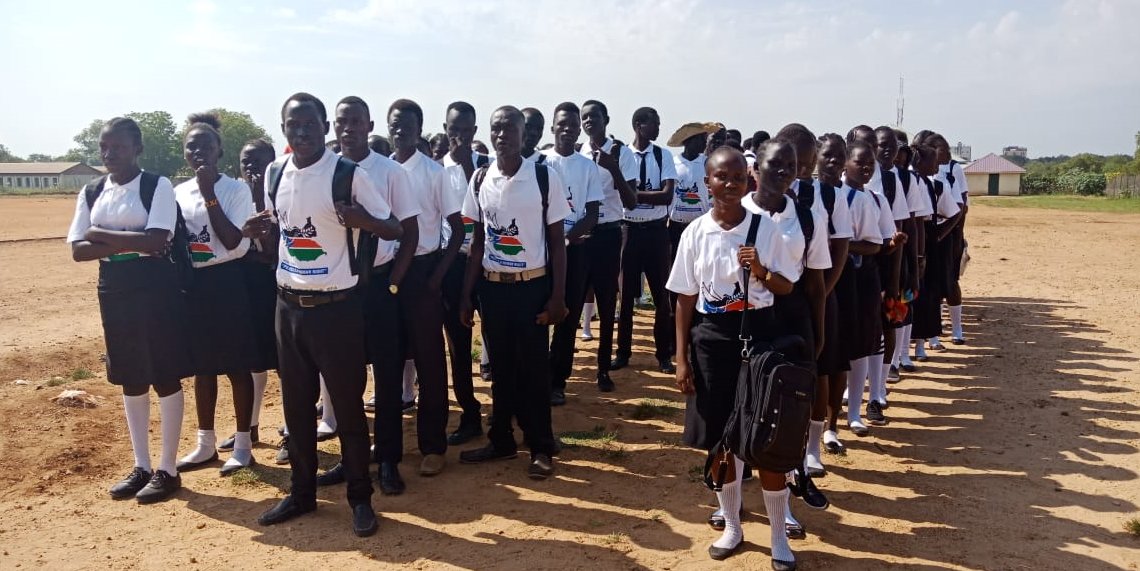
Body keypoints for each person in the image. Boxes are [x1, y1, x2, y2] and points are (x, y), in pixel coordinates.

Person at [244, 92, 402, 536]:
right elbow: (281, 230)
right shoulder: (276, 172)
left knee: (348, 408)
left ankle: (360, 499)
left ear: (325, 128)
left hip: (337, 310)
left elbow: (393, 227)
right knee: (296, 409)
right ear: (283, 130)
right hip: (288, 306)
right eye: (293, 125)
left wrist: (362, 220)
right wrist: (257, 230)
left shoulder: (347, 174)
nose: (302, 132)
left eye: (310, 124)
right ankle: (302, 493)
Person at [669, 145, 805, 567]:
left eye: (737, 178)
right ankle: (732, 525)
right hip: (712, 340)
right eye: (720, 177)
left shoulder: (765, 229)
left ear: (749, 181)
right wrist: (682, 359)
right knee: (722, 439)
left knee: (767, 437)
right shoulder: (695, 232)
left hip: (759, 337)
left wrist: (761, 270)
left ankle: (779, 535)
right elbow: (685, 299)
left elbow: (786, 286)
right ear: (706, 182)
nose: (729, 184)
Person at [67, 117, 191, 504]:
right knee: (130, 375)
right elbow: (78, 250)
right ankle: (141, 465)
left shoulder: (157, 185)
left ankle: (168, 469)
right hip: (114, 287)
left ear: (137, 148)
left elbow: (157, 241)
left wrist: (100, 234)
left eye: (118, 147)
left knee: (163, 373)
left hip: (155, 287)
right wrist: (129, 241)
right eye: (104, 147)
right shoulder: (93, 190)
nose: (109, 154)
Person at [315, 96, 422, 496]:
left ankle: (389, 460)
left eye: (356, 121)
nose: (348, 128)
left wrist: (393, 282)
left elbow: (409, 232)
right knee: (346, 379)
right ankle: (353, 459)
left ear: (369, 125)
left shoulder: (390, 172)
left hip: (379, 284)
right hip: (338, 287)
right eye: (342, 121)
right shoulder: (325, 170)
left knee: (388, 376)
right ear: (333, 127)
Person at [458, 105, 570, 479]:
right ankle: (502, 440)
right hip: (493, 288)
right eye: (496, 128)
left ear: (524, 134)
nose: (502, 135)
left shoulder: (543, 177)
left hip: (532, 288)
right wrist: (466, 294)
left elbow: (557, 243)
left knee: (534, 370)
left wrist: (558, 297)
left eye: (510, 128)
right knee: (501, 369)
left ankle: (541, 446)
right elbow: (477, 242)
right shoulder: (480, 178)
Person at [172, 113, 258, 477]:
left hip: (228, 282)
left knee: (237, 366)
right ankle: (205, 444)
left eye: (206, 146)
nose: (199, 152)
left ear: (219, 149)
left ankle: (243, 445)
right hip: (195, 285)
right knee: (202, 368)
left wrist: (209, 194)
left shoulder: (236, 190)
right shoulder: (177, 192)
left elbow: (233, 241)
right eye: (191, 146)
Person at [388, 98, 461, 478]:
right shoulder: (377, 170)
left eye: (407, 125)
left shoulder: (434, 173)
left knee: (430, 362)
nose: (400, 130)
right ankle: (389, 446)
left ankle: (433, 446)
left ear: (419, 129)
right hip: (386, 273)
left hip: (423, 271)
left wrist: (436, 278)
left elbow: (458, 229)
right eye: (394, 124)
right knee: (387, 359)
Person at [220, 140, 278, 460]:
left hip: (273, 286)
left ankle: (292, 430)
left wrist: (259, 196)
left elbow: (270, 251)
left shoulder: (279, 192)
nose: (252, 168)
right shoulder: (233, 196)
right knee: (250, 361)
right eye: (246, 162)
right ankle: (250, 427)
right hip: (242, 287)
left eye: (259, 162)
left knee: (282, 361)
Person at [438, 101, 492, 444]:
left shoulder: (488, 166)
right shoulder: (436, 170)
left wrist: (469, 165)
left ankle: (506, 410)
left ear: (474, 132)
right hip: (453, 263)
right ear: (445, 130)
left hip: (488, 262)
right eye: (453, 130)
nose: (458, 137)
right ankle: (469, 413)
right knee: (458, 346)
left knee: (498, 340)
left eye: (465, 131)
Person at [838, 140, 899, 438]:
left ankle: (864, 404)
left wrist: (842, 245)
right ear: (845, 162)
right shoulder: (832, 194)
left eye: (869, 164)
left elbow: (880, 243)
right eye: (859, 162)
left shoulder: (874, 199)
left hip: (864, 276)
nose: (865, 168)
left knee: (866, 341)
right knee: (838, 342)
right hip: (833, 277)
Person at [545, 102, 604, 406]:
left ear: (579, 130)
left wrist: (565, 240)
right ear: (552, 128)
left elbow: (592, 214)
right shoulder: (540, 163)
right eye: (562, 124)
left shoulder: (587, 166)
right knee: (539, 314)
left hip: (575, 252)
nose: (567, 130)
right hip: (540, 252)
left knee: (567, 318)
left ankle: (558, 381)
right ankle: (536, 376)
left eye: (573, 125)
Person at [579, 99, 638, 391]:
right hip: (580, 236)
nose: (589, 121)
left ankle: (603, 369)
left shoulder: (621, 153)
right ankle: (559, 375)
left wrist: (613, 169)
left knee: (605, 302)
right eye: (585, 117)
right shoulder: (578, 152)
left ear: (606, 119)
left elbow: (632, 201)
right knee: (573, 301)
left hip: (608, 234)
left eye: (594, 116)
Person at [614, 107, 677, 375]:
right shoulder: (622, 156)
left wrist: (633, 194)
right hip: (628, 230)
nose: (658, 128)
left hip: (656, 232)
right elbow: (618, 194)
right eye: (655, 123)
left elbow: (667, 196)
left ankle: (663, 354)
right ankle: (623, 352)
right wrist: (638, 195)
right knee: (626, 296)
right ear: (639, 125)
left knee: (661, 296)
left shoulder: (663, 155)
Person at [909, 142, 962, 360]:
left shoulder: (935, 185)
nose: (937, 165)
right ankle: (903, 350)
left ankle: (922, 344)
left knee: (928, 296)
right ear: (920, 162)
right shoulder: (909, 182)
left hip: (928, 245)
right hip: (913, 242)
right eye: (933, 161)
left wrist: (939, 234)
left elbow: (955, 212)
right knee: (909, 296)